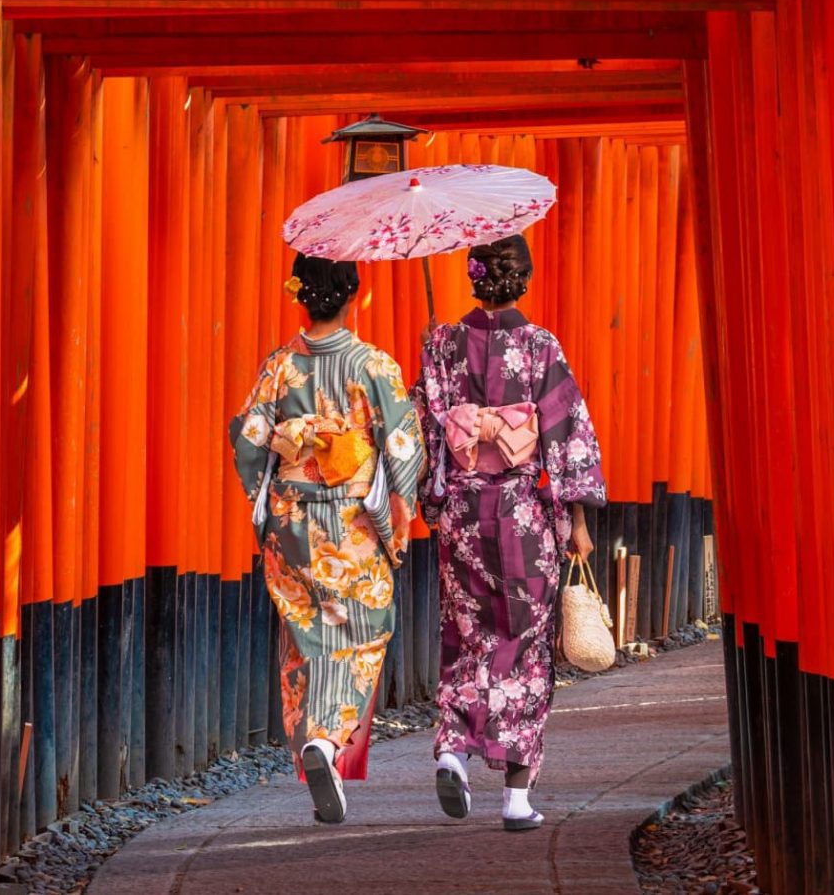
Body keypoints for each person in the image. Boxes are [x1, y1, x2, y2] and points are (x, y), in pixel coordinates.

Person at [417, 233, 604, 832]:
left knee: (469, 630)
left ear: (474, 278)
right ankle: (517, 797)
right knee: (523, 645)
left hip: (466, 515)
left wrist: (435, 499)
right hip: (523, 512)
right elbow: (569, 435)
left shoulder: (442, 344)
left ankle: (453, 747)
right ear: (521, 279)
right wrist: (576, 519)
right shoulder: (539, 345)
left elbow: (426, 430)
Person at [229, 253, 424, 825]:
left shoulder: (280, 366)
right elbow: (404, 449)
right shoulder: (374, 367)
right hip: (353, 525)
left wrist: (266, 509)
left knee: (305, 631)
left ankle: (316, 749)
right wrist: (401, 511)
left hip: (292, 521)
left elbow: (248, 442)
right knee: (364, 631)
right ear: (354, 294)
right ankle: (328, 740)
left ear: (301, 295)